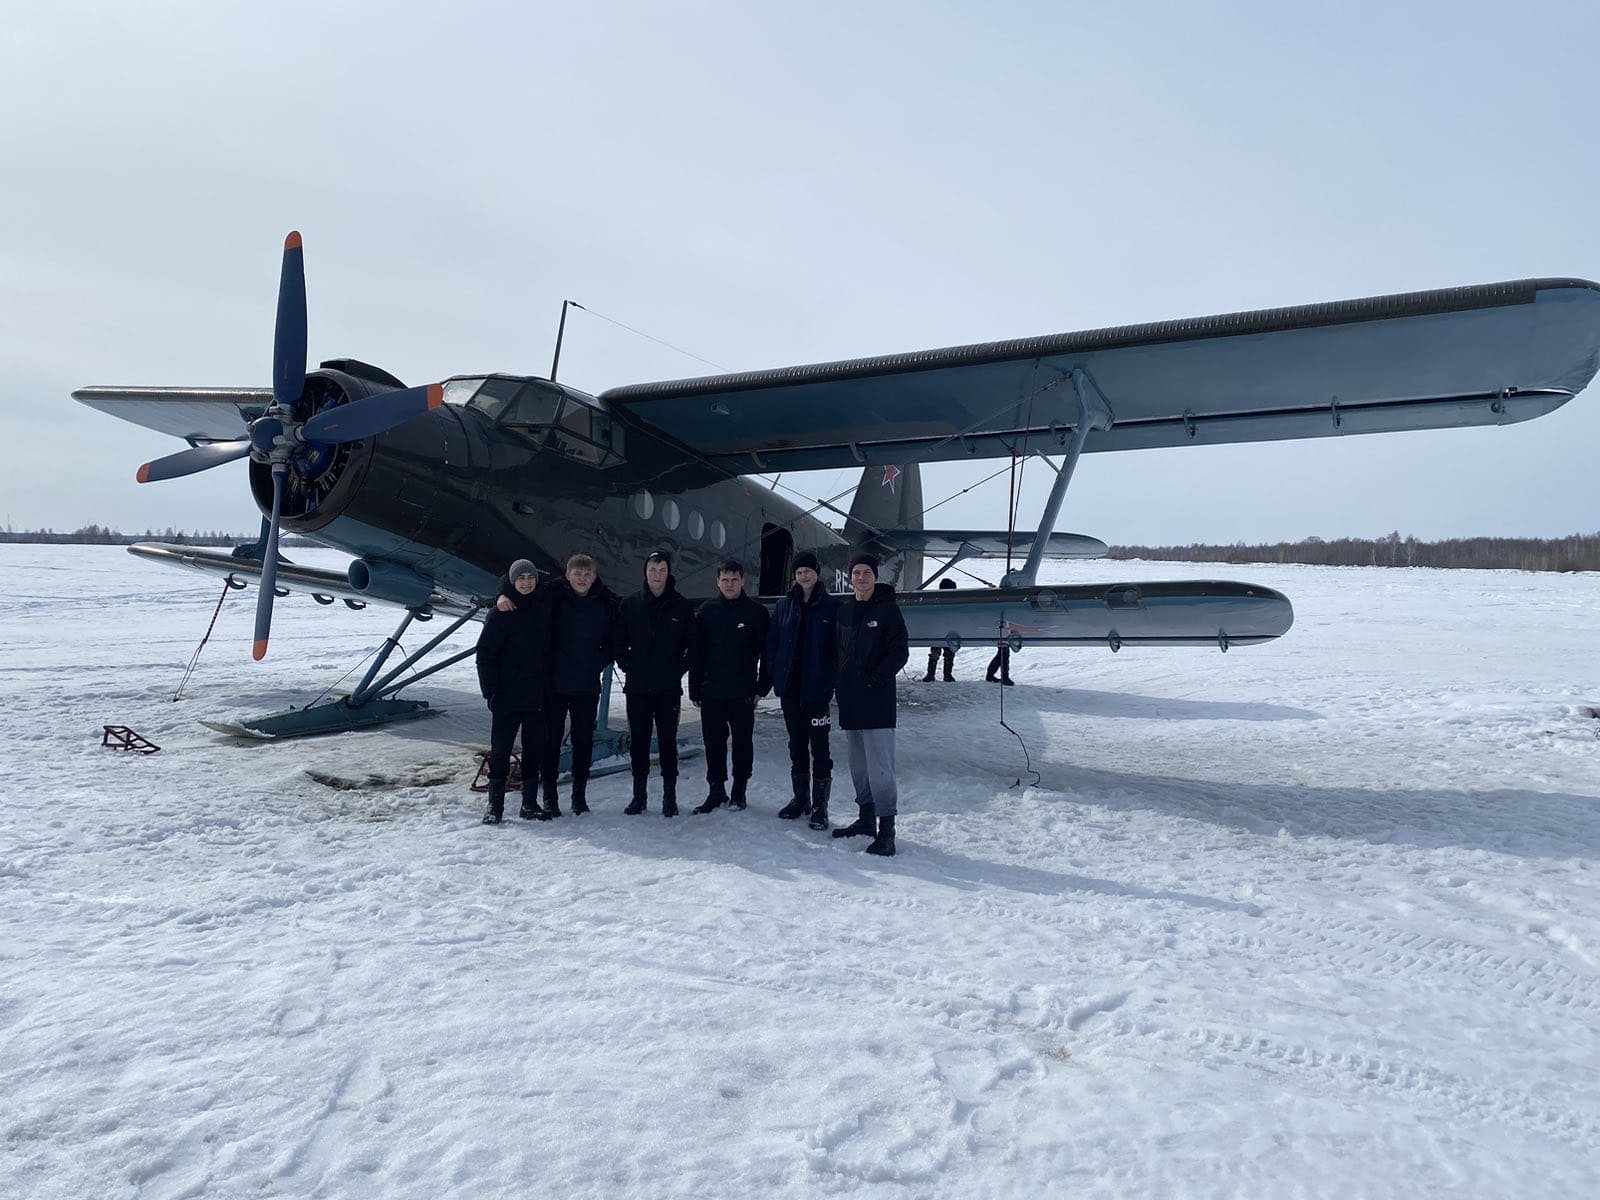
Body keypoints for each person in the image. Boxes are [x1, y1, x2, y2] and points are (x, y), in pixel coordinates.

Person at [832, 552, 909, 856]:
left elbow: (899, 651)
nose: (861, 578)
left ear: (876, 576)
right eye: (856, 573)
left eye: (866, 572)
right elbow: (836, 651)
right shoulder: (844, 611)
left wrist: (877, 678)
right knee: (858, 765)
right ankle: (865, 819)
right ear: (850, 577)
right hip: (850, 699)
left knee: (880, 768)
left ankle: (886, 830)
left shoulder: (888, 610)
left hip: (877, 701)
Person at [615, 550, 695, 817]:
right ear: (645, 572)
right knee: (639, 742)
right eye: (652, 570)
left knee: (667, 742)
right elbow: (618, 642)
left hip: (668, 690)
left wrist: (676, 672)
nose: (657, 575)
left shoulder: (682, 606)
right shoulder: (630, 604)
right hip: (637, 688)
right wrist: (630, 666)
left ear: (668, 573)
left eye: (662, 570)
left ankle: (669, 798)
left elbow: (693, 647)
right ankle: (639, 797)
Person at [688, 559, 770, 813]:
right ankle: (716, 790)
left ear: (743, 580)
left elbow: (768, 653)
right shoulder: (707, 611)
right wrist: (695, 687)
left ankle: (739, 790)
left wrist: (761, 688)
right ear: (718, 581)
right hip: (712, 690)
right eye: (725, 580)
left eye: (734, 580)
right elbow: (697, 652)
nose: (730, 584)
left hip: (743, 691)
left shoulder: (756, 612)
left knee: (742, 742)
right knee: (713, 742)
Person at [538, 553, 618, 816]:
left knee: (583, 742)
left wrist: (597, 661)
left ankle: (579, 797)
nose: (582, 579)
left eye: (587, 575)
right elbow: (517, 585)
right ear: (567, 575)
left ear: (594, 577)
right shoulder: (554, 596)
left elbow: (613, 640)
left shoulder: (604, 602)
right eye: (578, 574)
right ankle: (549, 797)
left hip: (586, 685)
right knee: (551, 741)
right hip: (556, 685)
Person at [474, 559, 553, 824]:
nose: (527, 583)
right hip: (507, 696)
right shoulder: (501, 612)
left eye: (531, 577)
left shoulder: (545, 605)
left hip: (537, 695)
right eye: (521, 579)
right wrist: (490, 692)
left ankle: (529, 804)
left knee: (533, 751)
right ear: (512, 581)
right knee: (500, 751)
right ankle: (494, 807)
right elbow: (484, 654)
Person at [765, 549, 839, 830]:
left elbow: (837, 650)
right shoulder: (784, 606)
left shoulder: (832, 608)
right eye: (798, 572)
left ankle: (821, 806)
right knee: (796, 745)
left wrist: (830, 679)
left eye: (808, 571)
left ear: (816, 573)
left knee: (820, 748)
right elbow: (773, 641)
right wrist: (775, 672)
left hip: (817, 691)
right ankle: (801, 799)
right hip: (791, 690)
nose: (803, 576)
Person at [922, 578, 958, 681]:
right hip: (948, 631)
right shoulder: (955, 602)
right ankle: (946, 675)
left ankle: (931, 674)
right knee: (948, 654)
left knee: (936, 653)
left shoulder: (935, 600)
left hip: (937, 631)